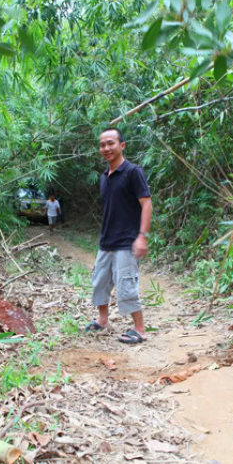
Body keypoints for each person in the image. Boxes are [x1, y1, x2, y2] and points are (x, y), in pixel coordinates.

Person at [84, 127, 153, 344]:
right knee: (100, 282)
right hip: (106, 241)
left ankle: (140, 330)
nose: (106, 148)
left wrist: (142, 236)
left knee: (126, 286)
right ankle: (103, 321)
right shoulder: (104, 177)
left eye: (111, 143)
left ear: (122, 145)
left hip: (127, 241)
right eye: (103, 144)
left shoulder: (133, 172)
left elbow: (147, 203)